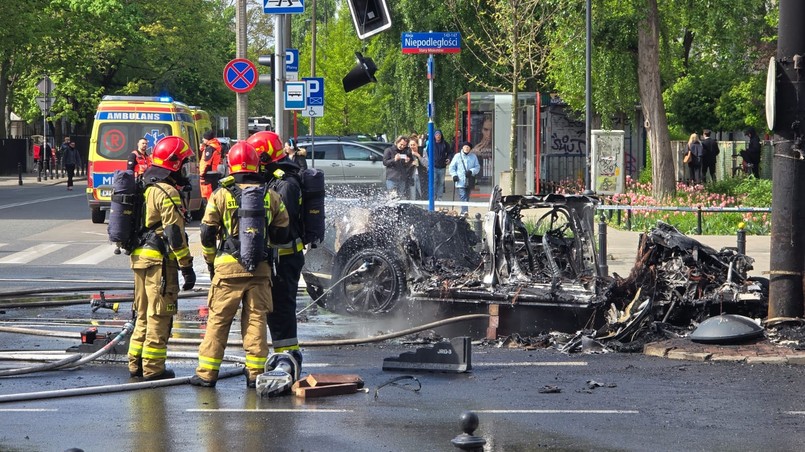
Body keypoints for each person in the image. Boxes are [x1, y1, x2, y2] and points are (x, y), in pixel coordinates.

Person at [190, 141, 290, 389]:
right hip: (260, 268)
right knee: (256, 321)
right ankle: (256, 373)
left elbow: (206, 232)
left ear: (230, 165)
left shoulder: (221, 194)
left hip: (227, 267)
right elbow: (282, 233)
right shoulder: (271, 195)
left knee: (218, 321)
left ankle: (206, 374)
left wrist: (212, 262)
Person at [127, 136, 196, 382]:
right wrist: (186, 266)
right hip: (159, 261)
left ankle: (135, 363)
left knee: (143, 312)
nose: (186, 169)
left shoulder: (145, 184)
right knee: (159, 313)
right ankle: (153, 369)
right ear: (175, 164)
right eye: (184, 163)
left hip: (139, 257)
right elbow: (174, 233)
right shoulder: (166, 191)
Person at [248, 131, 305, 389]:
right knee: (274, 310)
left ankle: (290, 357)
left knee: (282, 309)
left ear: (264, 157)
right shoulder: (275, 180)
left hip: (285, 257)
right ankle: (283, 355)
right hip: (278, 256)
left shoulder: (285, 184)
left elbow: (284, 222)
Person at [449, 141, 481, 215]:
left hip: (469, 181)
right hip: (460, 181)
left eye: (468, 147)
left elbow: (477, 167)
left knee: (467, 197)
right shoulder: (457, 156)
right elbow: (452, 167)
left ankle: (463, 212)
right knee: (463, 196)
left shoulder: (473, 156)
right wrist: (454, 175)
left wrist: (471, 171)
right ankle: (465, 212)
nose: (466, 148)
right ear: (462, 147)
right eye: (465, 147)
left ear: (470, 148)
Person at [199, 130, 223, 200]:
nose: (203, 139)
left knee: (208, 196)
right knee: (213, 194)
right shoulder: (215, 146)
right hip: (213, 173)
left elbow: (206, 163)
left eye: (204, 138)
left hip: (207, 175)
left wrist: (202, 175)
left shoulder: (210, 149)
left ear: (207, 139)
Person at [431, 130, 451, 202]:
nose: (438, 136)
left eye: (439, 135)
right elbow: (427, 153)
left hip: (442, 166)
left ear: (441, 135)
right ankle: (433, 196)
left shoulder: (445, 144)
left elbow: (449, 153)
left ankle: (439, 196)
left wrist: (448, 159)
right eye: (436, 135)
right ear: (434, 136)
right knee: (434, 181)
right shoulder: (431, 144)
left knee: (441, 182)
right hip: (434, 166)